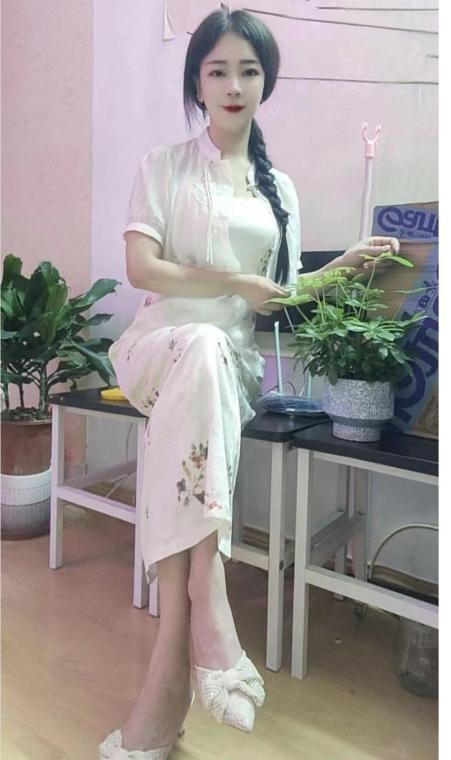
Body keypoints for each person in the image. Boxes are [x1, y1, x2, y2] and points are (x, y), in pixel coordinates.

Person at [99, 8, 399, 760]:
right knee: (198, 344)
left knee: (209, 359)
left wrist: (346, 264)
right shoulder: (164, 165)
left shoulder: (280, 190)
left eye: (249, 71)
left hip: (225, 367)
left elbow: (280, 297)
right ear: (197, 82)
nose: (234, 84)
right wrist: (233, 280)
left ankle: (170, 671)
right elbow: (140, 269)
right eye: (218, 70)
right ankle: (210, 598)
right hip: (157, 347)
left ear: (266, 81)